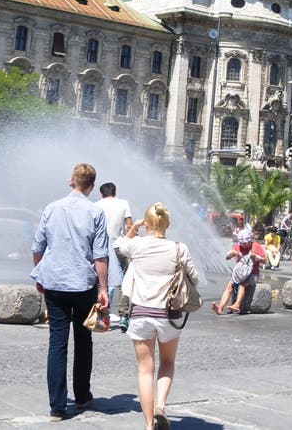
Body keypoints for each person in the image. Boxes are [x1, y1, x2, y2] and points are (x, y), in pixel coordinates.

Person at [31, 163, 110, 421]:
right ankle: (83, 396)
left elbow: (37, 247)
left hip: (54, 282)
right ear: (92, 186)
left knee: (57, 343)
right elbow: (100, 255)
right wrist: (104, 288)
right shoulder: (96, 212)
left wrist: (40, 275)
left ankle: (57, 406)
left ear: (70, 182)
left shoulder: (51, 208)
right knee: (84, 339)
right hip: (83, 284)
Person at [116, 203, 200, 430]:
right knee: (167, 362)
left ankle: (147, 425)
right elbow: (194, 278)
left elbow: (119, 244)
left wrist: (134, 227)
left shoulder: (137, 246)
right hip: (168, 315)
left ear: (147, 224)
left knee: (145, 369)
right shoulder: (179, 248)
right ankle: (160, 406)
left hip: (141, 313)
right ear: (167, 224)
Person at [96, 182, 134, 331]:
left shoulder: (96, 205)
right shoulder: (123, 203)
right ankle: (124, 316)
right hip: (119, 246)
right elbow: (129, 225)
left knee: (102, 282)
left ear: (101, 194)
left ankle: (103, 315)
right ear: (114, 192)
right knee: (124, 282)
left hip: (102, 248)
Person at [214, 228, 260, 314]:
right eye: (242, 243)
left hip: (253, 273)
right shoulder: (237, 247)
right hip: (240, 273)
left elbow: (265, 260)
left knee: (242, 285)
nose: (244, 245)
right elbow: (227, 258)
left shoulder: (256, 246)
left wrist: (256, 256)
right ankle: (220, 308)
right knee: (229, 286)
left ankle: (237, 305)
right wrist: (231, 254)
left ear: (250, 240)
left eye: (245, 243)